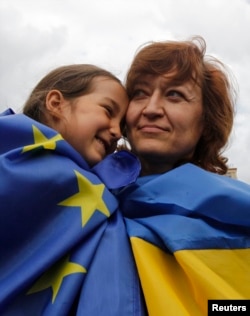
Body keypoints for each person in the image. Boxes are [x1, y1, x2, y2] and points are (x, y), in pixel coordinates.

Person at [117, 36, 250, 315]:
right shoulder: (83, 192)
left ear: (205, 123)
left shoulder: (236, 216)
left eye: (174, 94)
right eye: (140, 93)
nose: (151, 109)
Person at [0, 64, 143, 315]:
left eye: (122, 126)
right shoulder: (10, 162)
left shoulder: (104, 191)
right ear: (56, 103)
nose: (117, 132)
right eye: (108, 111)